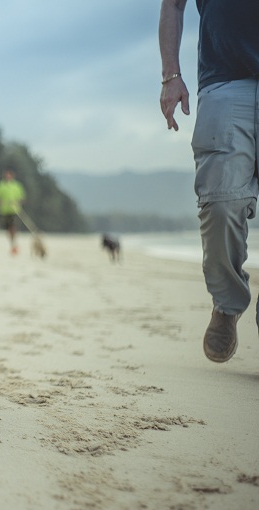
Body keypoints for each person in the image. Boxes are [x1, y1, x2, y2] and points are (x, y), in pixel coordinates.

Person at [159, 0, 259, 363]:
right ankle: (227, 301)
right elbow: (173, 4)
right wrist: (171, 74)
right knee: (219, 205)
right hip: (225, 80)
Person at [0, 168, 26, 255]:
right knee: (7, 229)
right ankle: (12, 243)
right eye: (7, 175)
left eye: (9, 175)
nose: (8, 176)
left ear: (12, 176)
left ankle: (14, 244)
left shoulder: (17, 186)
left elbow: (23, 198)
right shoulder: (0, 185)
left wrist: (17, 202)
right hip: (3, 211)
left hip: (14, 210)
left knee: (13, 226)